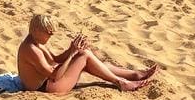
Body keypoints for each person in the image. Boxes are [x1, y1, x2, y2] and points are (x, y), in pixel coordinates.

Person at [17, 14, 157, 94]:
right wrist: (72, 55)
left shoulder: (36, 41)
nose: (51, 36)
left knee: (87, 56)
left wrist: (72, 49)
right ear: (36, 30)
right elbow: (54, 75)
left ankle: (134, 75)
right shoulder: (31, 49)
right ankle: (121, 82)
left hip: (49, 82)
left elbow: (55, 59)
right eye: (49, 33)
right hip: (47, 88)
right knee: (85, 56)